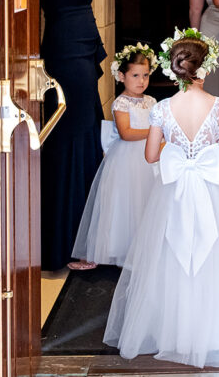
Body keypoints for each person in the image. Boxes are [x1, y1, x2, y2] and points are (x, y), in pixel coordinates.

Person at [104, 30, 219, 368]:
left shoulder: (163, 109)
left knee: (173, 255)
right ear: (205, 70)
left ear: (174, 70)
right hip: (214, 191)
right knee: (218, 256)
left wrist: (181, 152)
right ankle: (218, 332)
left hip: (174, 192)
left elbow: (151, 155)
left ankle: (174, 331)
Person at [38, 0, 124, 271]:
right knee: (71, 141)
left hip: (85, 52)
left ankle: (85, 238)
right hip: (66, 56)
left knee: (88, 137)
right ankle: (65, 245)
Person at [70, 44, 159, 268]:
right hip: (126, 160)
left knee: (147, 201)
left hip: (149, 157)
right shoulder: (121, 103)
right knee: (125, 203)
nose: (141, 81)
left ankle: (143, 250)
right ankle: (119, 249)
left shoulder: (151, 101)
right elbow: (126, 133)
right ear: (121, 76)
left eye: (146, 75)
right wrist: (155, 132)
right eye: (135, 75)